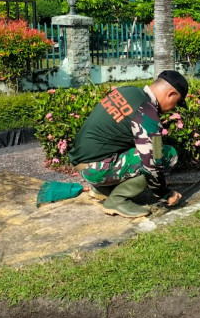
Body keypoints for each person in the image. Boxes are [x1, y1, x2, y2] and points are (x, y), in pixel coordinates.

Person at [69, 71, 188, 218]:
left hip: (83, 162)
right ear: (170, 94)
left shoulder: (126, 91)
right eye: (176, 103)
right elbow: (152, 163)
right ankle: (117, 200)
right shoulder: (148, 114)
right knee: (167, 154)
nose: (173, 108)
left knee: (141, 148)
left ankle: (102, 190)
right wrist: (165, 194)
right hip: (96, 169)